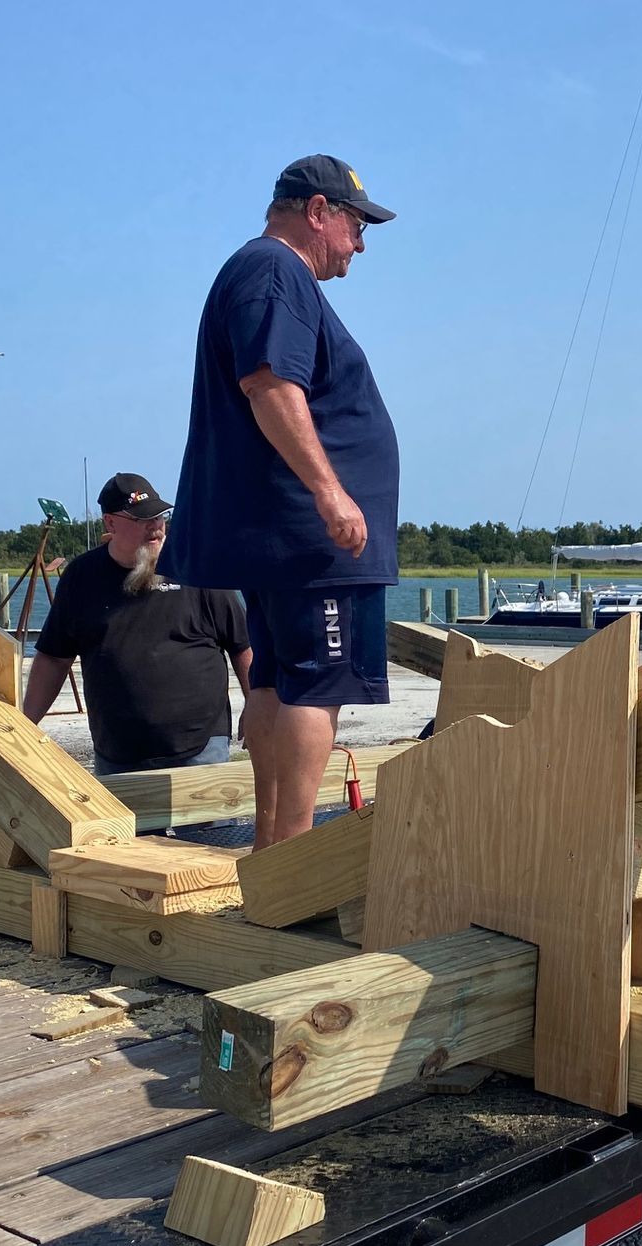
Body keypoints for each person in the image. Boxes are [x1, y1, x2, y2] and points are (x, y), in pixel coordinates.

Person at [162, 154, 399, 849]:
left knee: (275, 683)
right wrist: (330, 492)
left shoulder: (263, 272)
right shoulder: (276, 272)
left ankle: (271, 852)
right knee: (316, 688)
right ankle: (290, 855)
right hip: (309, 541)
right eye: (356, 225)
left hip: (281, 534)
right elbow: (270, 384)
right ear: (318, 211)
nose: (359, 245)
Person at [23, 473, 251, 781]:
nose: (155, 526)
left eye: (159, 516)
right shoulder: (82, 577)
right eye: (142, 518)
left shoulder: (194, 566)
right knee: (122, 832)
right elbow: (54, 657)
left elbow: (242, 645)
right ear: (110, 524)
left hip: (200, 750)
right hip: (118, 754)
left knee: (212, 832)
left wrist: (256, 707)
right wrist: (26, 725)